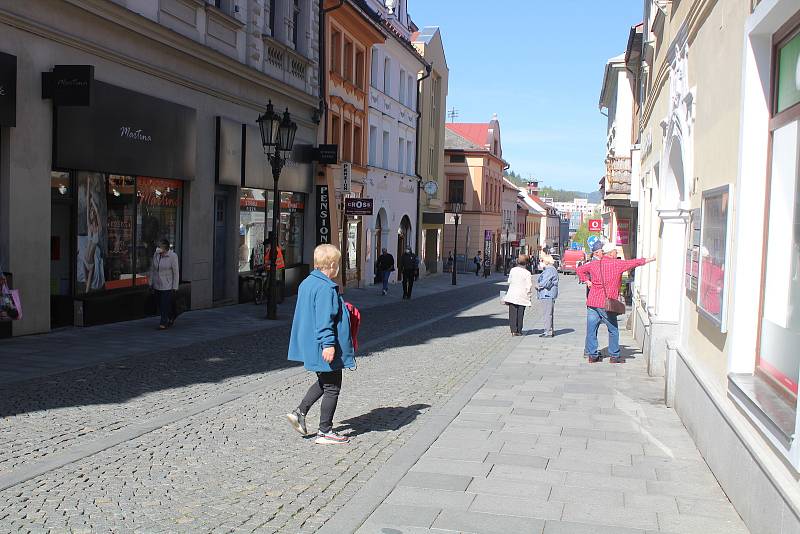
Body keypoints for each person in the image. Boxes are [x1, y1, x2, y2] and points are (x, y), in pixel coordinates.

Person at [286, 244, 355, 445]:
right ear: (332, 265)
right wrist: (329, 345)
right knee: (333, 386)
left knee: (325, 381)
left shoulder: (307, 283)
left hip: (310, 344)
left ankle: (299, 412)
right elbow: (324, 319)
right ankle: (325, 431)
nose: (338, 268)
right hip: (322, 346)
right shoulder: (326, 288)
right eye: (338, 264)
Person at [577, 243, 655, 363]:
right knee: (613, 329)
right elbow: (634, 262)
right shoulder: (617, 264)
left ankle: (592, 355)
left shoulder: (594, 264)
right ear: (611, 253)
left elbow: (580, 270)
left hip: (592, 302)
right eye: (615, 251)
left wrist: (587, 281)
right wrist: (650, 259)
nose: (617, 253)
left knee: (591, 329)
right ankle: (614, 355)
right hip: (606, 304)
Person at [150, 239, 180, 330]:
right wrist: (150, 282)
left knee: (164, 304)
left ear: (166, 249)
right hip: (157, 284)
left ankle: (163, 323)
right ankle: (172, 315)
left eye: (161, 247)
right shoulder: (156, 254)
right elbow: (153, 269)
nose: (159, 250)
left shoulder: (173, 256)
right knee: (160, 303)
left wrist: (175, 286)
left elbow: (176, 272)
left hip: (167, 285)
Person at [502, 254, 533, 336]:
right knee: (520, 313)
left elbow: (509, 281)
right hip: (522, 295)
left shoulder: (513, 270)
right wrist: (529, 296)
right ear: (526, 263)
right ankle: (519, 330)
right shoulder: (527, 273)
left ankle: (513, 330)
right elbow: (528, 286)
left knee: (512, 313)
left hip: (512, 294)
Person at [536, 254, 559, 337]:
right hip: (549, 294)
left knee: (547, 313)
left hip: (547, 294)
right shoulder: (552, 269)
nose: (541, 262)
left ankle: (547, 331)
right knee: (548, 313)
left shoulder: (549, 270)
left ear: (546, 261)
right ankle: (549, 330)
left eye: (542, 260)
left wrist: (538, 286)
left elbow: (545, 282)